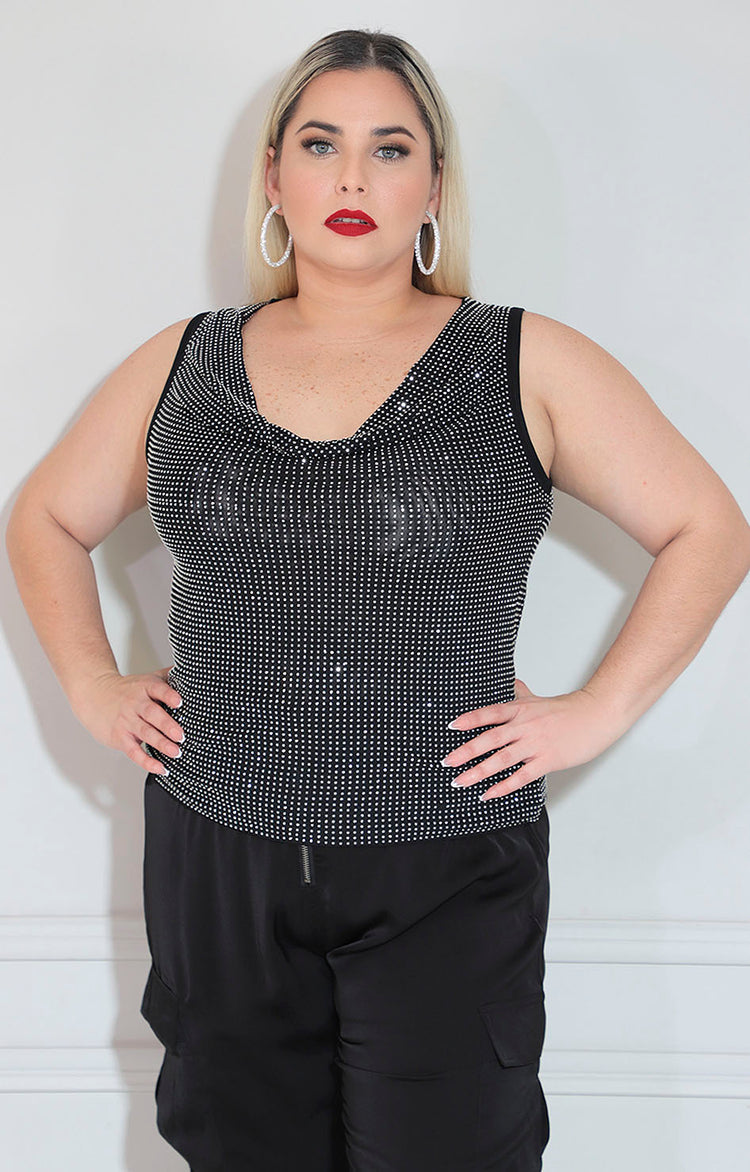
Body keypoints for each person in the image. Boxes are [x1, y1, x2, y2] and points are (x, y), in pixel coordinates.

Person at [5, 26, 750, 1172]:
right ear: (274, 177)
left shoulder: (522, 360)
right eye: (320, 144)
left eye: (390, 148)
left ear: (434, 184)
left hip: (446, 864)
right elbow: (46, 517)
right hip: (218, 859)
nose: (352, 178)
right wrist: (92, 681)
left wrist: (594, 711)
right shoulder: (184, 362)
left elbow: (710, 528)